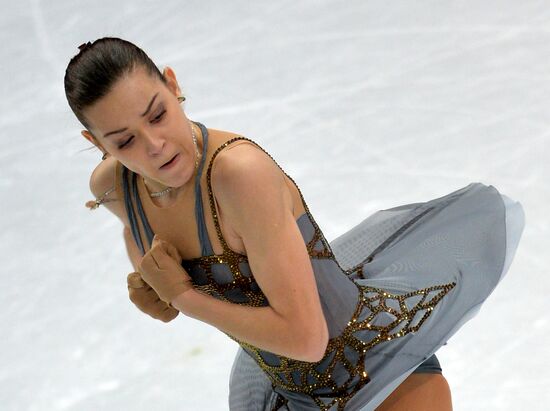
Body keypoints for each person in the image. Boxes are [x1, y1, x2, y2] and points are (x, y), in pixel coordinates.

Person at [64, 37, 525, 410]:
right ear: (95, 141)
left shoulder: (238, 175)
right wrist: (155, 294)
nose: (155, 146)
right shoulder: (114, 190)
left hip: (376, 374)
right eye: (124, 141)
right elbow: (158, 267)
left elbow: (307, 339)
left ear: (172, 83)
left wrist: (181, 297)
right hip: (285, 396)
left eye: (158, 115)